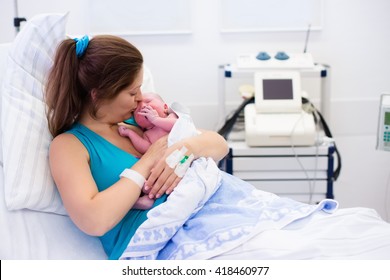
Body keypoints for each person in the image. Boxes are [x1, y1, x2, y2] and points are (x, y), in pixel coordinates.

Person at [45, 35, 229, 260]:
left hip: (208, 211)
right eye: (133, 92)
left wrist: (188, 148)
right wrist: (148, 160)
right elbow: (94, 220)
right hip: (157, 244)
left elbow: (219, 145)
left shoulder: (138, 121)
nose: (141, 98)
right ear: (98, 94)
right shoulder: (69, 146)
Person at [118, 92, 179, 210]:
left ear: (165, 107)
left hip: (181, 161)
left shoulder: (171, 118)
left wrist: (156, 119)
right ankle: (145, 199)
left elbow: (177, 126)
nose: (142, 106)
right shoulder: (147, 134)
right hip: (161, 168)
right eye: (136, 111)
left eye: (148, 101)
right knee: (148, 183)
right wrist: (129, 134)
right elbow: (146, 148)